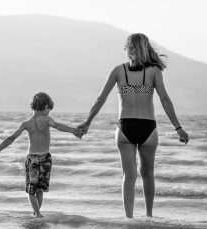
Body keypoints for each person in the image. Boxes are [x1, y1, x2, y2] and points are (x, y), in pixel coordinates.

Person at [77, 33, 189, 218]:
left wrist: (88, 122)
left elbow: (100, 99)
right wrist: (178, 127)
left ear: (130, 49)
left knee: (128, 177)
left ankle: (129, 219)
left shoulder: (118, 71)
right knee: (148, 174)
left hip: (125, 129)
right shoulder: (154, 71)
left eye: (126, 47)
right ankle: (149, 217)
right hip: (148, 129)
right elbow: (165, 99)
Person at [0, 92, 81, 218]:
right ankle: (37, 213)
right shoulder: (47, 120)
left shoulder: (26, 123)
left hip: (32, 158)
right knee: (40, 189)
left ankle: (36, 212)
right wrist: (74, 131)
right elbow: (58, 126)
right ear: (45, 107)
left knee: (31, 189)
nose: (49, 112)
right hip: (45, 158)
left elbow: (11, 138)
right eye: (49, 109)